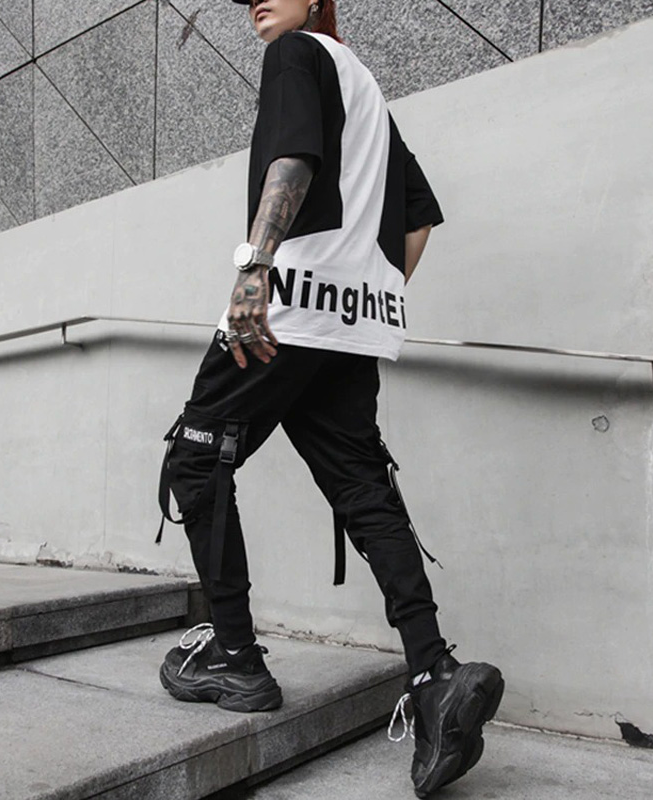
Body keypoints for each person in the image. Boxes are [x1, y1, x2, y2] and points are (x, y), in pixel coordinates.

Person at [157, 1, 504, 796]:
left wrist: (255, 268)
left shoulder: (296, 56)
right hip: (350, 323)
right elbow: (418, 220)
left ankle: (237, 659)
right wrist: (353, 301)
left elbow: (293, 158)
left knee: (197, 458)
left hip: (287, 307)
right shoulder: (365, 86)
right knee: (358, 483)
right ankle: (434, 674)